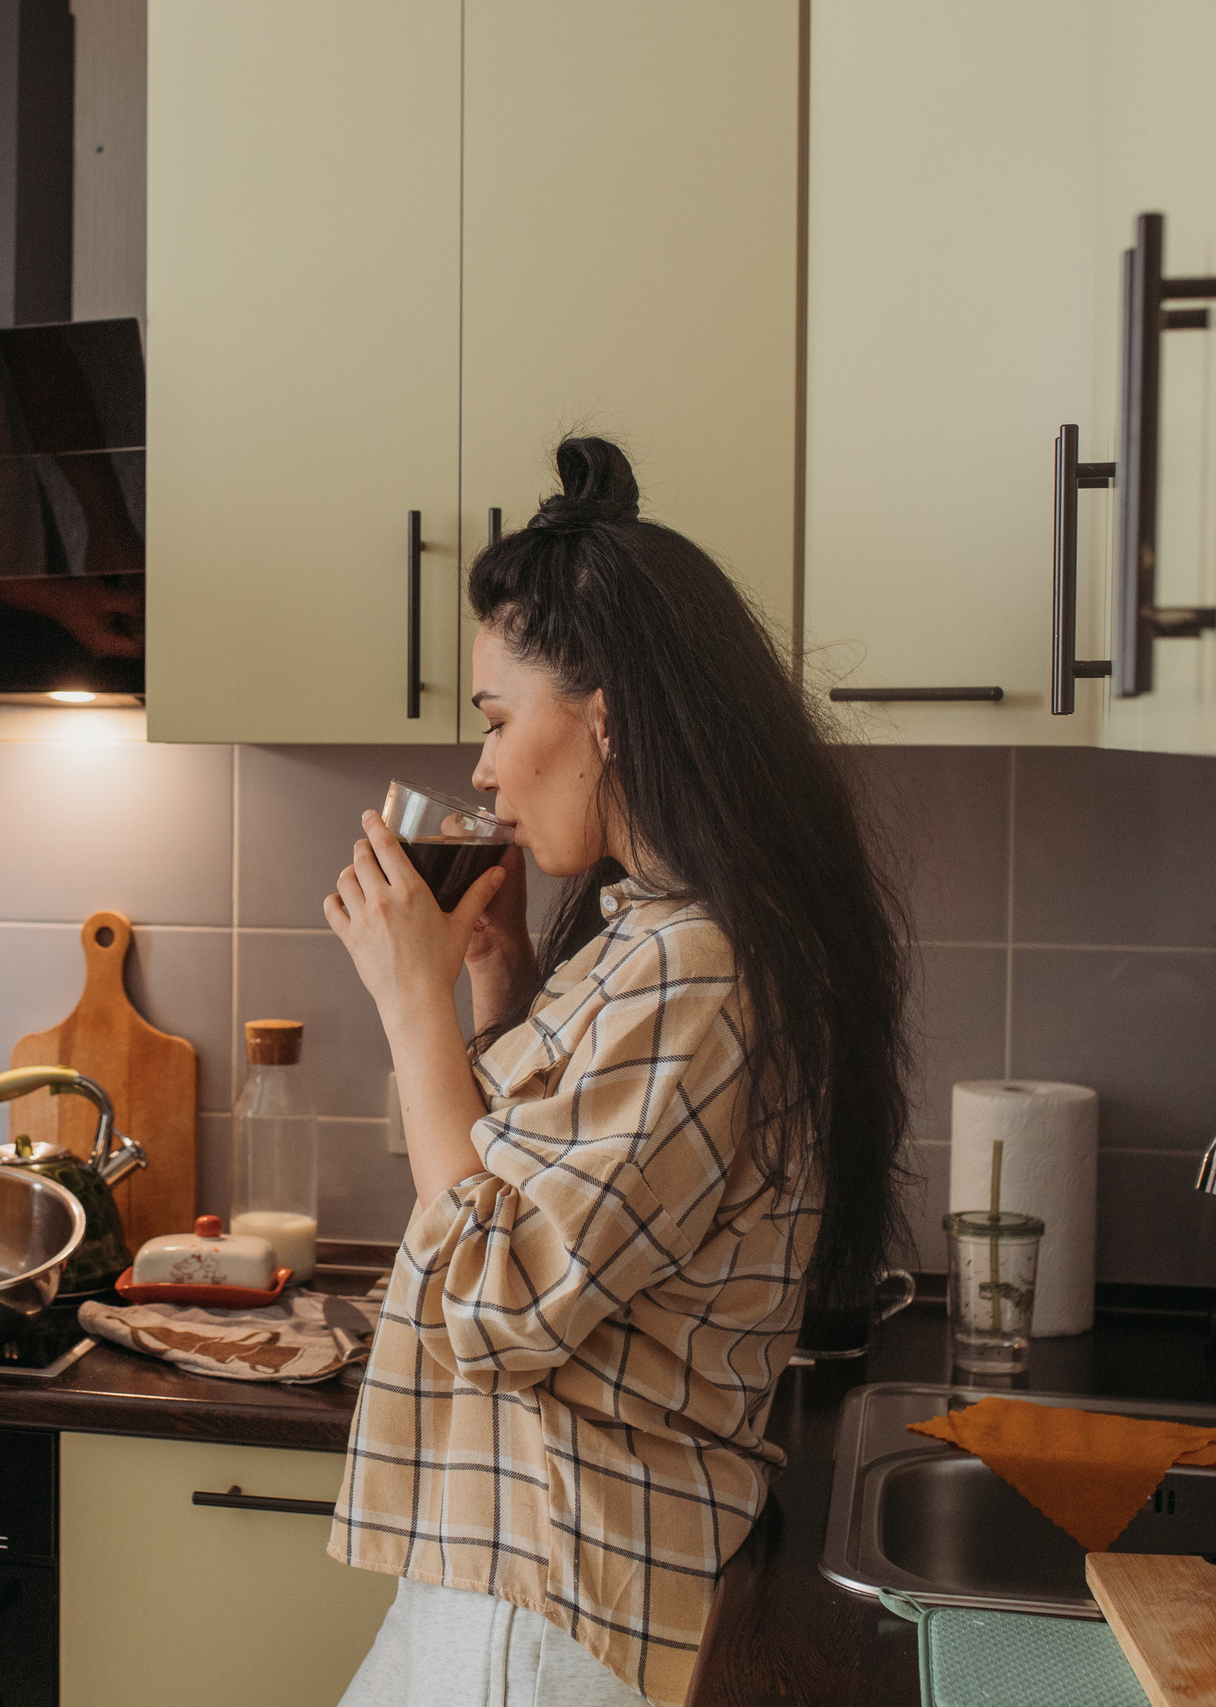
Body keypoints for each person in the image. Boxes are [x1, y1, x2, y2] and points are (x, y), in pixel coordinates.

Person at [322, 437, 910, 1706]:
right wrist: (498, 982)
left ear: (605, 715)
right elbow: (563, 1194)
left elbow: (501, 1297)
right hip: (528, 1576)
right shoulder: (650, 931)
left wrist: (413, 1007)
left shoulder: (697, 965)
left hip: (564, 1597)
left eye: (493, 719)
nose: (478, 767)